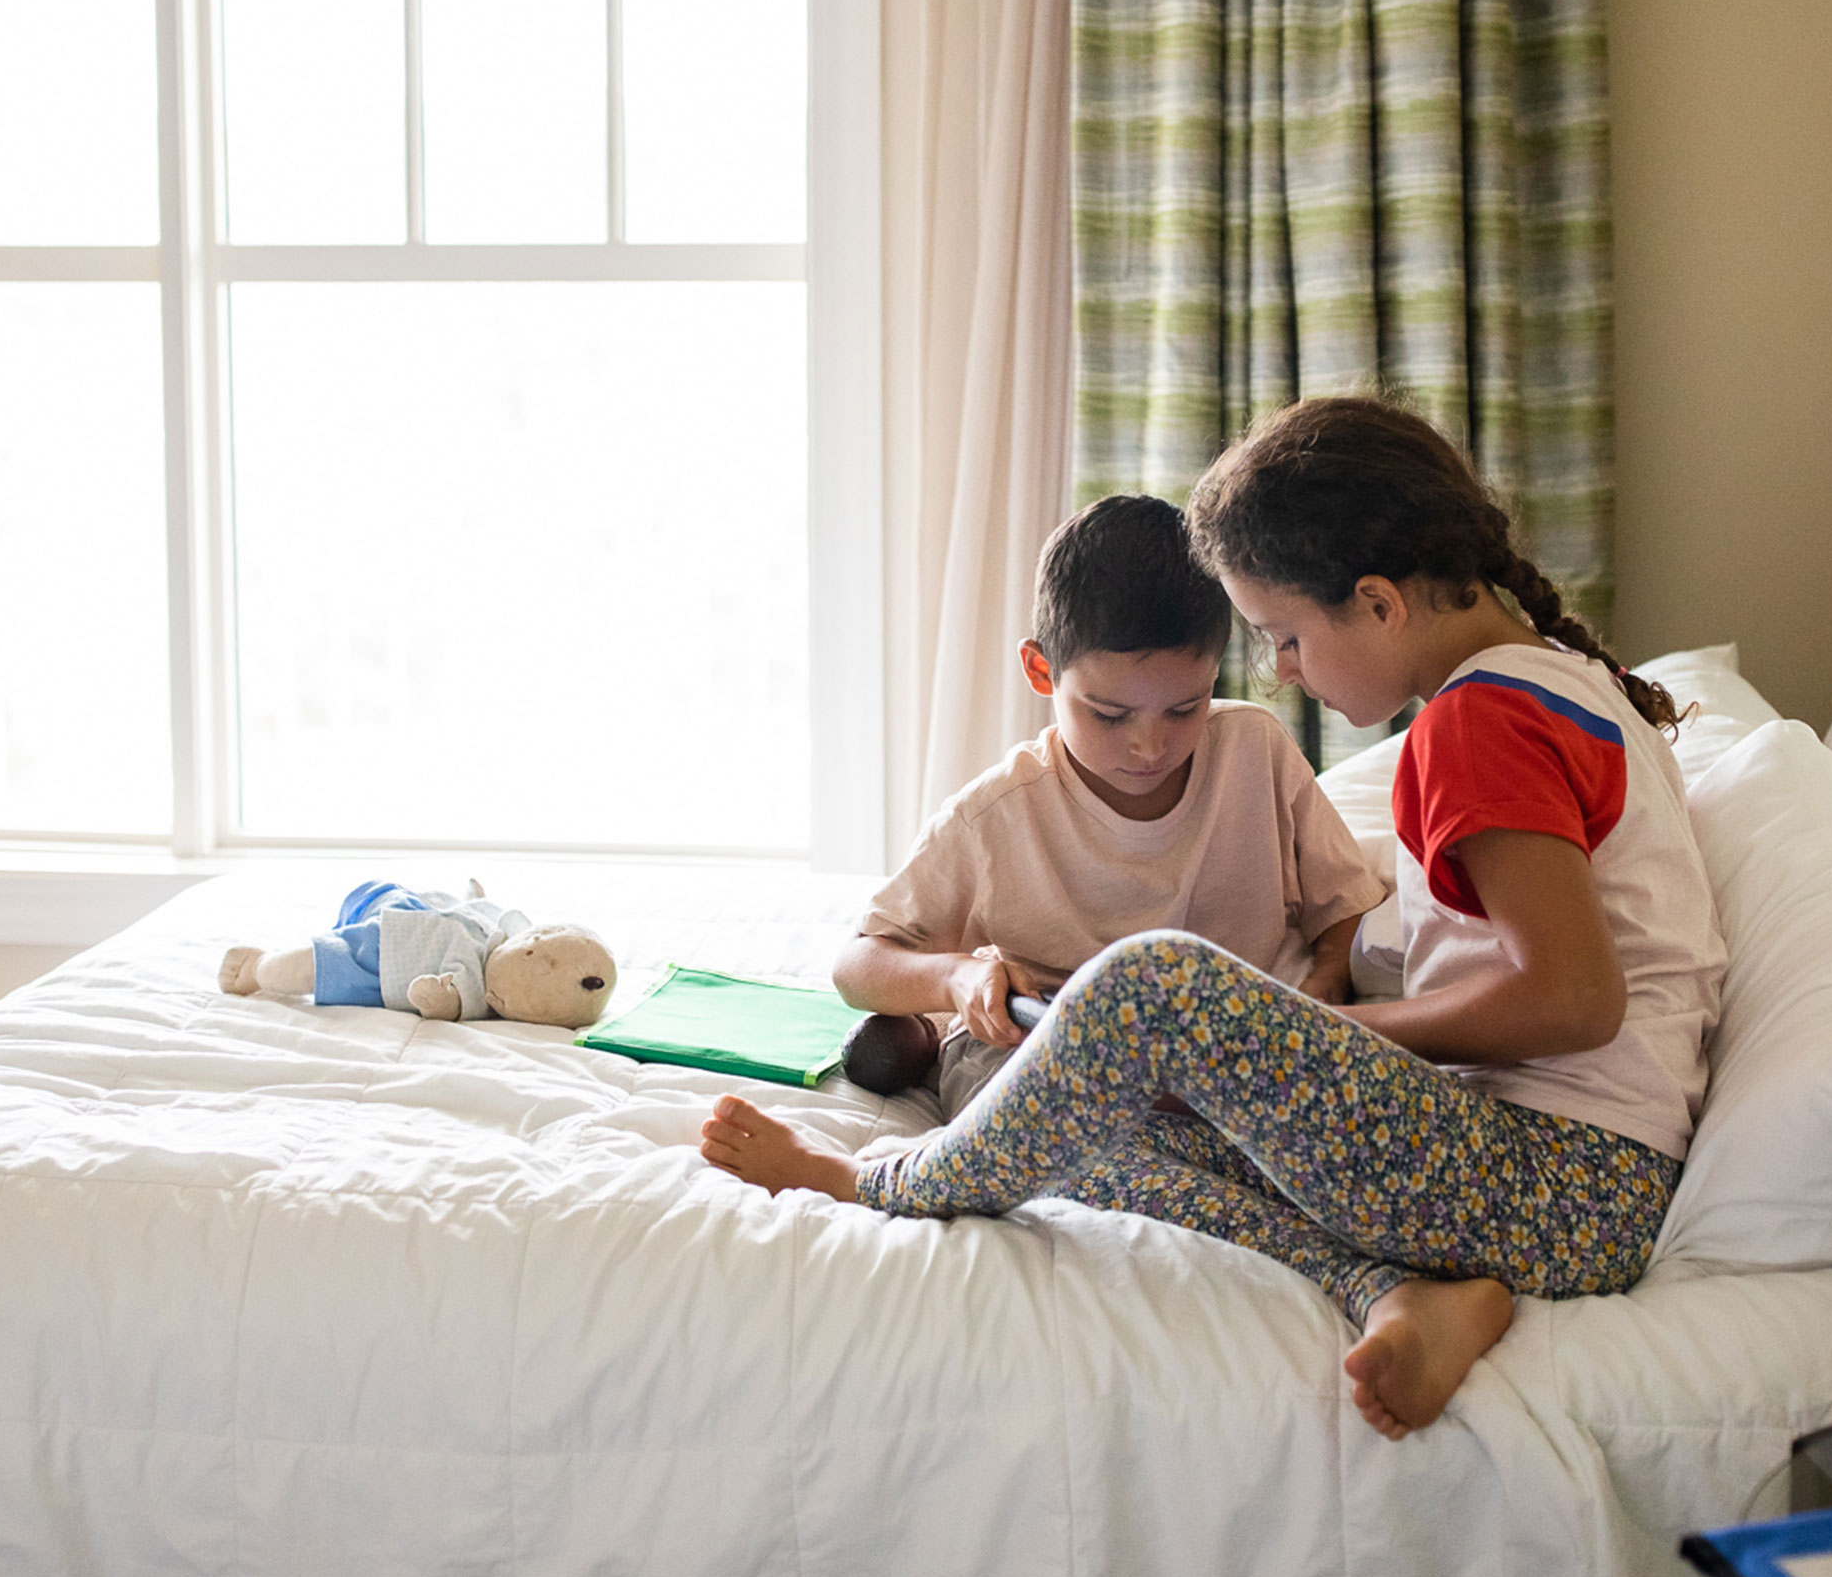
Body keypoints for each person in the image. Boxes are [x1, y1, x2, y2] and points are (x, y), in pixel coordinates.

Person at [704, 397, 1725, 1441]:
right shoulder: (1560, 681)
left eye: (1287, 637)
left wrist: (1322, 1031)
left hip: (1562, 1184)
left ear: (1378, 604)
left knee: (1151, 982)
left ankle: (875, 1184)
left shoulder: (1478, 722)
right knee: (1083, 1120)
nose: (1283, 671)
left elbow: (1574, 998)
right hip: (1562, 1193)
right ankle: (1396, 1289)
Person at [832, 492, 1383, 1119]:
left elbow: (1345, 905)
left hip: (1234, 1056)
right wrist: (956, 977)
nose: (1150, 747)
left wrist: (1325, 984)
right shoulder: (996, 815)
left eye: (1185, 709)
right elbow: (857, 964)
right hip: (1059, 1057)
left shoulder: (1255, 750)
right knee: (1026, 1116)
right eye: (1109, 715)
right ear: (1041, 671)